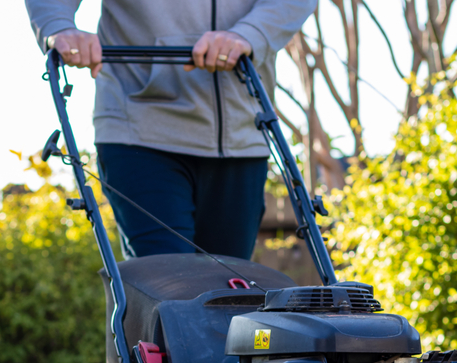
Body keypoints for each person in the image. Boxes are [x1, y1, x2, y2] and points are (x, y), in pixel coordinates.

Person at [25, 1, 316, 259]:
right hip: (139, 125)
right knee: (166, 282)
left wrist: (250, 33)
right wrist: (59, 27)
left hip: (242, 130)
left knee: (230, 291)